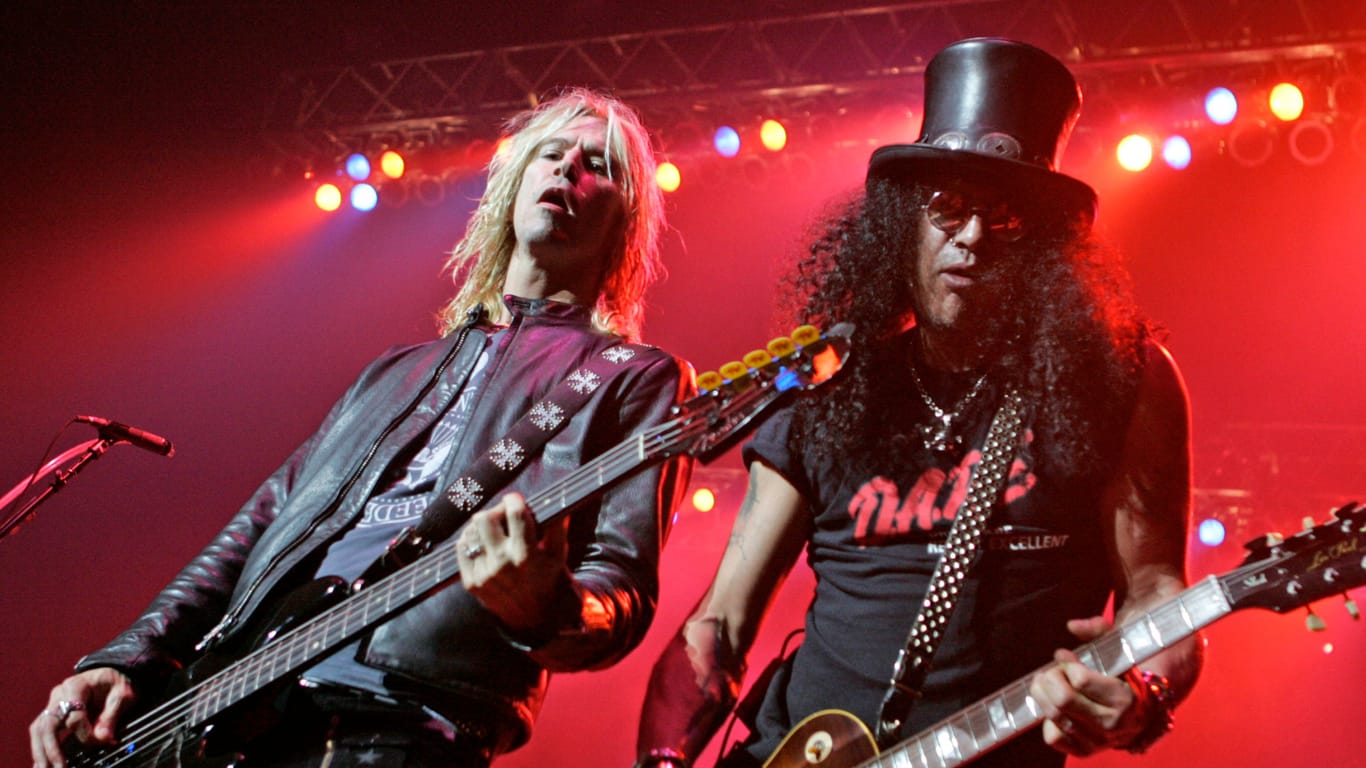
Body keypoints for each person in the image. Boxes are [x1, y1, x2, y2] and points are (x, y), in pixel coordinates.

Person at [31, 87, 695, 768]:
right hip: (229, 708)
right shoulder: (395, 371)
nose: (569, 171)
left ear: (625, 222)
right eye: (551, 155)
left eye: (599, 166)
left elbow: (622, 587)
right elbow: (257, 526)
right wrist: (129, 658)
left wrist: (545, 606)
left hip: (399, 718)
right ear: (514, 183)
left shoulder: (632, 376)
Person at [635, 38, 1202, 768]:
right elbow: (720, 623)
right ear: (902, 226)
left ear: (1044, 246)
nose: (971, 237)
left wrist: (1147, 691)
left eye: (1006, 221)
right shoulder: (832, 385)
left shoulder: (1121, 380)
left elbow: (1158, 588)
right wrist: (661, 759)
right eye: (949, 207)